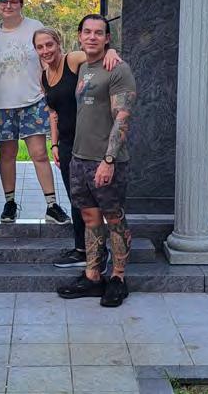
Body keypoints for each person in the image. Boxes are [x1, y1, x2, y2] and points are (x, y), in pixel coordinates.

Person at [55, 15, 137, 308]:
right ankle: (93, 276)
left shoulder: (118, 69)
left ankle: (118, 278)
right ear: (79, 36)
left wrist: (109, 160)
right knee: (90, 219)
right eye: (87, 32)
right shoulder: (83, 67)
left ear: (107, 38)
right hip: (79, 158)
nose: (92, 37)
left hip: (106, 160)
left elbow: (122, 118)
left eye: (99, 33)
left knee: (114, 218)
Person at [34, 27, 121, 269]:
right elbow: (53, 114)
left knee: (95, 201)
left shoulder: (71, 60)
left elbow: (95, 54)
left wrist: (111, 50)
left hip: (90, 142)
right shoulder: (44, 76)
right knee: (76, 199)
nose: (45, 50)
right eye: (40, 47)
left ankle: (102, 252)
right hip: (66, 144)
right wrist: (53, 143)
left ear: (58, 43)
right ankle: (82, 250)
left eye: (49, 44)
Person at [0, 0, 67, 224]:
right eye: (3, 2)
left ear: (21, 4)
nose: (8, 6)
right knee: (7, 154)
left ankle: (52, 205)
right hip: (1, 103)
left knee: (39, 153)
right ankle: (9, 203)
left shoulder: (34, 27)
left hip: (33, 100)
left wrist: (51, 89)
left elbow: (48, 59)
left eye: (13, 1)